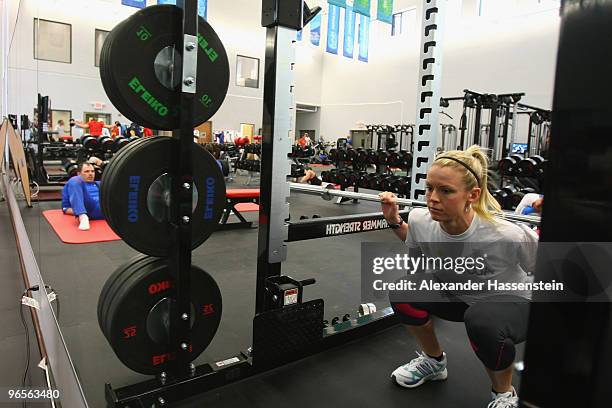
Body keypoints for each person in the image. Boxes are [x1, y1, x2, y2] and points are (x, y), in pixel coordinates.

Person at [379, 145, 538, 408]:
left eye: (445, 191)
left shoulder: (506, 234)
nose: (432, 198)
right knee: (403, 290)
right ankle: (434, 362)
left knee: (482, 320)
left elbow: (544, 268)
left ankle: (504, 394)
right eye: (429, 188)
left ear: (472, 195)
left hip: (513, 303)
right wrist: (395, 222)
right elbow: (418, 244)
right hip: (461, 296)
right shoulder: (420, 219)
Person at [61, 161, 104, 231]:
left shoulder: (100, 183)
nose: (90, 174)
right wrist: (83, 211)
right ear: (79, 173)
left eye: (92, 171)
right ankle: (83, 217)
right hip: (89, 208)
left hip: (107, 209)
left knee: (114, 181)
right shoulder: (73, 184)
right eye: (86, 171)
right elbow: (66, 209)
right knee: (74, 180)